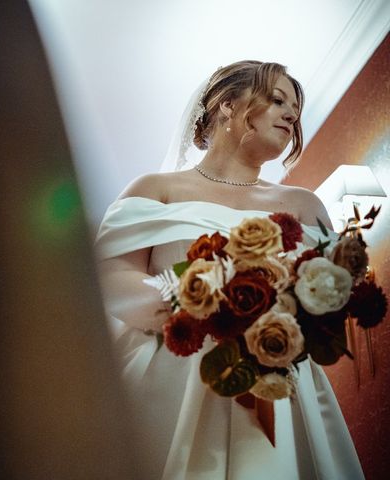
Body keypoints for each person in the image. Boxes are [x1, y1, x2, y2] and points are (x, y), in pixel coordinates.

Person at [94, 61, 365, 479]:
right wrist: (201, 302)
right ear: (225, 105)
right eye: (277, 100)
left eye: (295, 108)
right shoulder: (156, 190)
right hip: (171, 372)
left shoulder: (304, 205)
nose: (293, 115)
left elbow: (330, 300)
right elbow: (113, 280)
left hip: (276, 381)